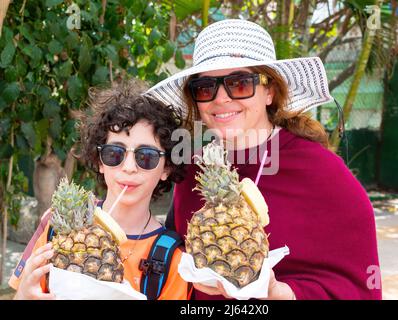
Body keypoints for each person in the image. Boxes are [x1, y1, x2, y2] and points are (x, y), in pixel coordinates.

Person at [146, 19, 382, 300]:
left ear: (269, 91)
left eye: (240, 83)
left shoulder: (322, 172)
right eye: (206, 88)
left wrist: (284, 293)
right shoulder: (193, 172)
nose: (221, 99)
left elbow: (361, 287)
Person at [9, 79, 191, 300]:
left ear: (167, 168)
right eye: (115, 153)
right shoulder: (57, 226)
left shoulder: (173, 260)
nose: (129, 167)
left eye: (147, 157)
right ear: (100, 161)